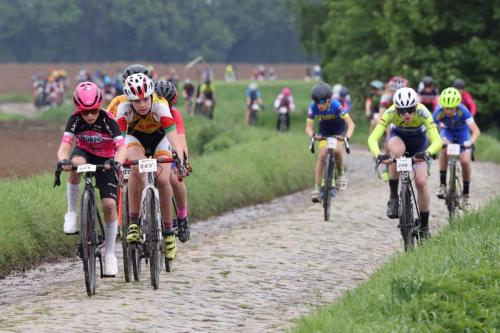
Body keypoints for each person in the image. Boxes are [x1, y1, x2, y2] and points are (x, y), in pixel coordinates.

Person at [57, 82, 126, 276]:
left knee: (109, 206)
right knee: (75, 163)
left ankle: (110, 254)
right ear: (78, 109)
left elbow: (121, 147)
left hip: (106, 160)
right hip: (85, 153)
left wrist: (117, 163)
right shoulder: (74, 120)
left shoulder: (108, 120)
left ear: (99, 107)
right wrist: (63, 160)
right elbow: (64, 146)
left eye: (93, 111)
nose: (89, 116)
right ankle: (71, 213)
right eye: (84, 112)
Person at [116, 73, 185, 262]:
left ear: (151, 96)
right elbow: (119, 143)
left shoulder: (160, 105)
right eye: (136, 101)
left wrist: (179, 157)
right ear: (129, 100)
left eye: (145, 99)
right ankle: (134, 224)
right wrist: (117, 163)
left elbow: (173, 137)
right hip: (135, 140)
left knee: (163, 180)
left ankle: (169, 233)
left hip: (160, 140)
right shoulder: (123, 110)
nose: (142, 104)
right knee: (136, 169)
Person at [367, 87, 442, 238]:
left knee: (421, 183)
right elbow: (373, 138)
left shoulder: (423, 112)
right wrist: (378, 155)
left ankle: (424, 226)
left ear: (416, 107)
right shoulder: (390, 112)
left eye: (410, 109)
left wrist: (427, 153)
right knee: (396, 153)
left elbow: (437, 140)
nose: (406, 113)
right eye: (402, 110)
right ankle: (394, 196)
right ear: (396, 109)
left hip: (419, 146)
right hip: (398, 138)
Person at [154, 80, 191, 242]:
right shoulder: (147, 110)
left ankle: (182, 217)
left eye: (166, 102)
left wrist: (182, 162)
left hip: (170, 147)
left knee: (173, 178)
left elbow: (181, 141)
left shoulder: (174, 114)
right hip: (151, 147)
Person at [306, 83, 355, 202]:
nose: (319, 105)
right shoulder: (313, 107)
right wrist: (313, 135)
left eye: (322, 101)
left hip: (338, 130)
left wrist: (346, 137)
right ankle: (317, 188)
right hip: (325, 131)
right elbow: (308, 128)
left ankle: (340, 174)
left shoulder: (336, 106)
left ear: (329, 100)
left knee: (337, 151)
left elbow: (351, 124)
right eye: (317, 101)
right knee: (322, 155)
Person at [433, 87, 481, 209]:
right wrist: (438, 139)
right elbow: (433, 130)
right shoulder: (438, 112)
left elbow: (476, 131)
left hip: (462, 133)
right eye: (446, 108)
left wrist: (471, 141)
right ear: (442, 105)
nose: (448, 111)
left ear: (457, 106)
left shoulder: (463, 111)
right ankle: (443, 184)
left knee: (465, 161)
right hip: (447, 132)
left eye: (452, 108)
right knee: (443, 148)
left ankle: (466, 193)